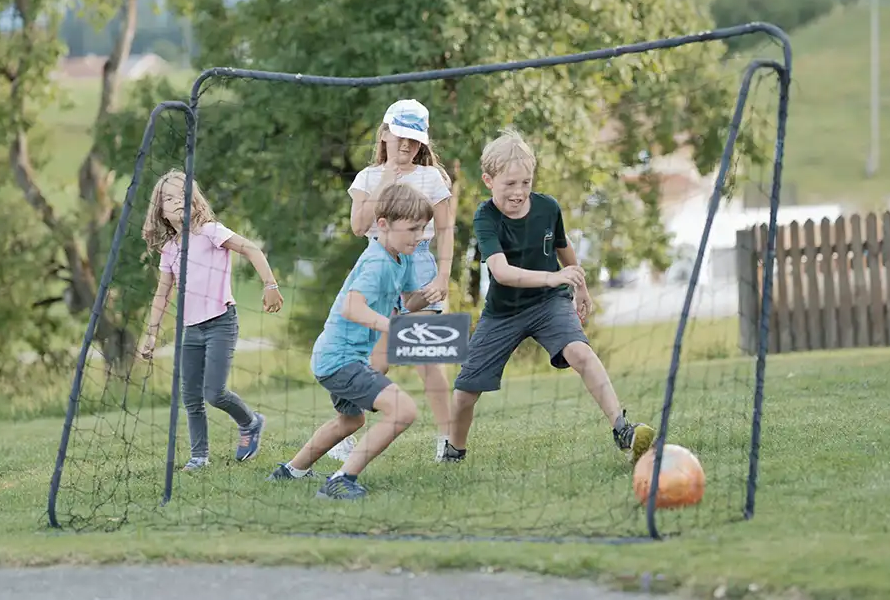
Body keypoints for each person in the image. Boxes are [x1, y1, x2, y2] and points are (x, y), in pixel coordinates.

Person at [442, 130, 656, 465]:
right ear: (488, 180)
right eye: (509, 184)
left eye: (525, 182)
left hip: (548, 303)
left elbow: (563, 247)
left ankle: (623, 428)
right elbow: (500, 271)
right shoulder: (486, 217)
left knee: (581, 353)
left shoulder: (547, 208)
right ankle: (454, 451)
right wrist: (553, 276)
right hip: (503, 314)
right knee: (464, 393)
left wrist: (579, 285)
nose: (518, 192)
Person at [267, 183, 435, 500]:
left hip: (340, 358)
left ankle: (290, 471)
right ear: (383, 225)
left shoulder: (403, 257)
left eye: (423, 228)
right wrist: (392, 328)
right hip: (340, 359)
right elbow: (352, 307)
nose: (419, 235)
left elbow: (407, 302)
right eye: (412, 228)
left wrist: (428, 296)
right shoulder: (376, 263)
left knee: (351, 420)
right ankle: (340, 480)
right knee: (402, 411)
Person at [328, 98, 455, 464]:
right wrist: (386, 179)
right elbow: (357, 226)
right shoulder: (367, 178)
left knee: (427, 358)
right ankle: (346, 430)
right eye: (399, 137)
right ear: (384, 134)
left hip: (420, 269)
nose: (406, 146)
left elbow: (446, 229)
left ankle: (447, 439)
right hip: (380, 269)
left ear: (422, 145)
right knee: (371, 362)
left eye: (414, 141)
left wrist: (444, 275)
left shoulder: (431, 178)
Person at [140, 168, 284, 470]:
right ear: (161, 212)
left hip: (221, 321)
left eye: (181, 194)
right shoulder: (169, 250)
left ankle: (251, 422)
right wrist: (151, 333)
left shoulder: (210, 231)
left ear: (194, 200)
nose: (176, 201)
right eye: (168, 198)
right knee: (191, 398)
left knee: (214, 392)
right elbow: (161, 295)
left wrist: (270, 285)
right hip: (190, 330)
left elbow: (251, 249)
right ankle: (199, 457)